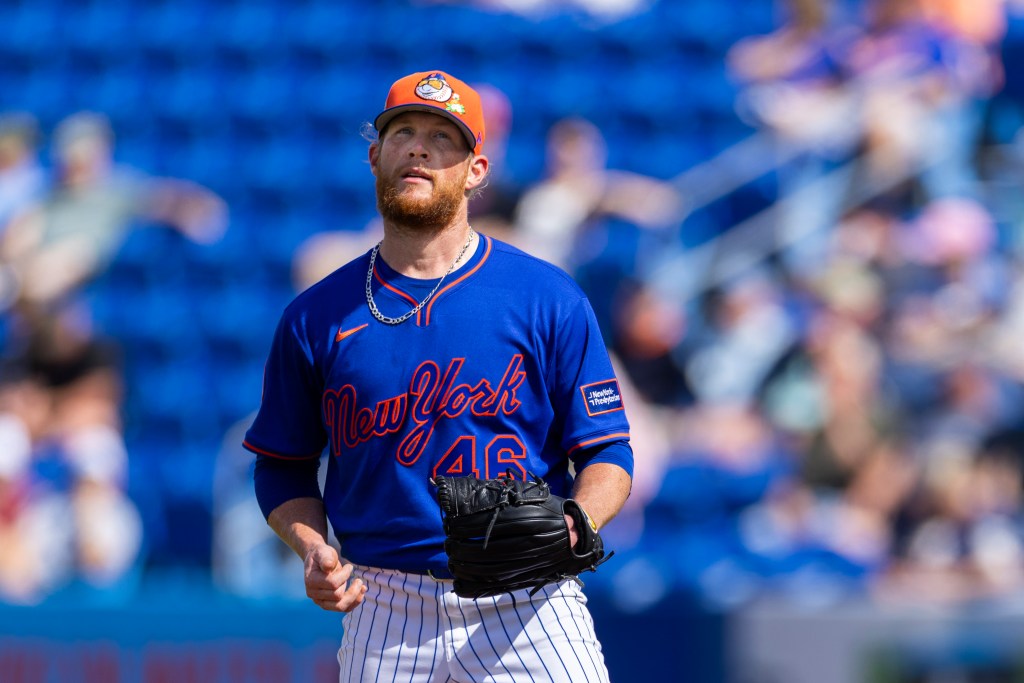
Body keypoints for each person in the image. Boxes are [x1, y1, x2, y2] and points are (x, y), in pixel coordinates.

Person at [243, 69, 634, 682]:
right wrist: (313, 546)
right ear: (376, 157)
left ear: (476, 170)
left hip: (529, 602)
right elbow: (281, 462)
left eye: (443, 138)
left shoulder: (546, 297)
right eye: (403, 132)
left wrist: (578, 521)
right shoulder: (316, 316)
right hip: (385, 607)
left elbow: (608, 449)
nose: (419, 148)